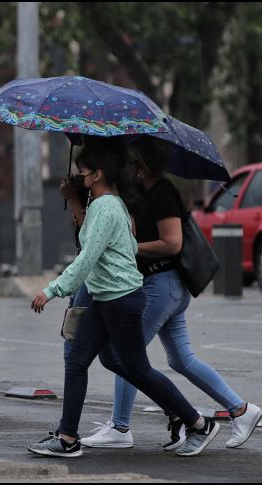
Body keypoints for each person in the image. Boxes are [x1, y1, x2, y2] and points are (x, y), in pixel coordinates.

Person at [27, 142, 220, 458]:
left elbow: (87, 257)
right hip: (107, 298)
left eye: (83, 172)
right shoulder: (109, 204)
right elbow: (115, 248)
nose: (80, 176)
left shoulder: (106, 207)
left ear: (98, 174)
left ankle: (197, 423)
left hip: (120, 300)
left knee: (136, 368)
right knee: (81, 359)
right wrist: (75, 201)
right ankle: (67, 438)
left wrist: (52, 290)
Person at [79, 138, 262, 451]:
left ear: (145, 165)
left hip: (161, 285)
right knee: (181, 358)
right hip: (165, 285)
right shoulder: (145, 194)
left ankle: (122, 427)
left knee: (127, 354)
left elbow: (173, 243)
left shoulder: (163, 193)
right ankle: (241, 410)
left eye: (135, 164)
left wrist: (127, 248)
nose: (131, 169)